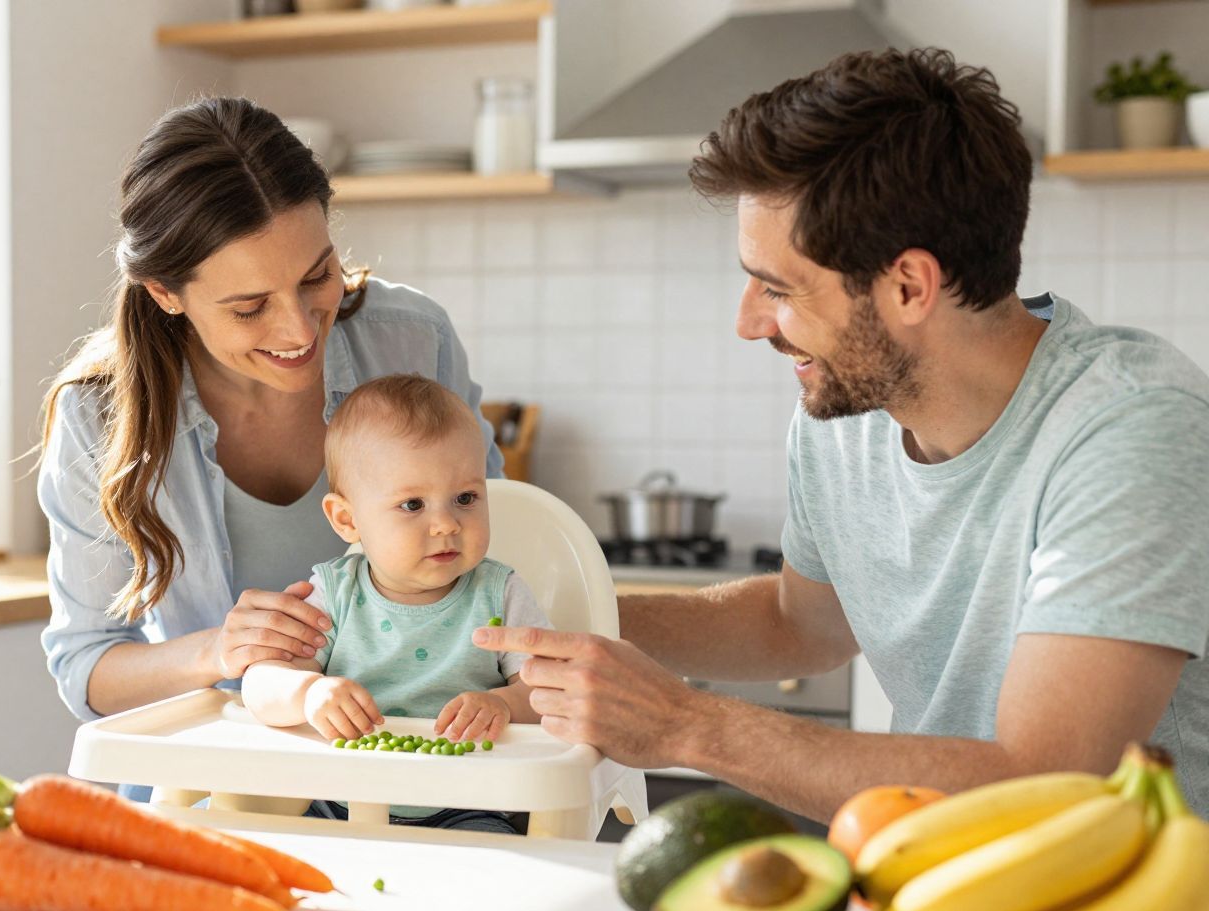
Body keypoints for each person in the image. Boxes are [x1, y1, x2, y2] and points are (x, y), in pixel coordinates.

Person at [474, 47, 1209, 821]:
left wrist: (683, 724)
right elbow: (799, 625)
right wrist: (557, 617)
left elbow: (1043, 778)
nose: (748, 322)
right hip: (926, 891)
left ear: (908, 286)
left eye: (778, 288)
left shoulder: (1130, 430)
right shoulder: (847, 415)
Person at [36, 99, 503, 797]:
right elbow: (87, 670)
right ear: (166, 292)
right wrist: (216, 650)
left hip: (417, 786)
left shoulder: (411, 341)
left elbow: (506, 550)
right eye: (249, 307)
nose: (300, 329)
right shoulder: (101, 415)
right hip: (217, 795)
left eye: (318, 275)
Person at [240, 376, 550, 838]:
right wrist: (308, 694)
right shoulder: (333, 594)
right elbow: (260, 683)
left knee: (493, 872)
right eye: (412, 504)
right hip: (336, 802)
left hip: (465, 806)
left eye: (466, 498)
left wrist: (503, 704)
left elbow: (549, 694)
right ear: (347, 520)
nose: (446, 524)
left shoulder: (500, 594)